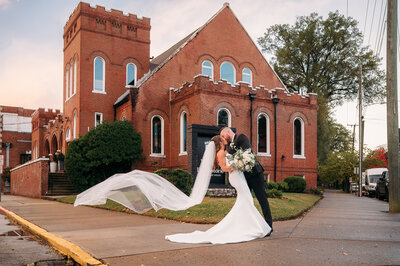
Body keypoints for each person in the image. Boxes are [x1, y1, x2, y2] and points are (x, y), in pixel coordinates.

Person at [74, 135, 271, 244]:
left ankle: (254, 226)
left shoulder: (222, 151)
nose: (225, 139)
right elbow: (226, 168)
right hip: (236, 177)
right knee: (245, 201)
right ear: (219, 143)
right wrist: (236, 164)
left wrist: (237, 162)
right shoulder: (221, 153)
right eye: (222, 139)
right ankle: (254, 227)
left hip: (238, 179)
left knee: (245, 202)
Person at [220, 127, 273, 232]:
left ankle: (269, 226)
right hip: (244, 177)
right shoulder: (229, 147)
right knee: (246, 200)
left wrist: (235, 162)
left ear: (228, 132)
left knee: (262, 199)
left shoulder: (241, 137)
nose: (223, 138)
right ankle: (249, 226)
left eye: (223, 135)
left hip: (255, 174)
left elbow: (247, 153)